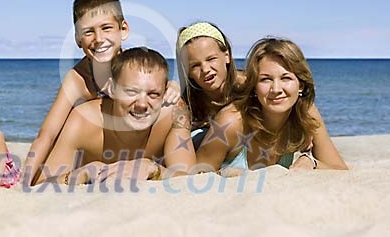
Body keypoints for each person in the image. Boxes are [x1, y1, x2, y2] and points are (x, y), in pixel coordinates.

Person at [25, 0, 180, 185]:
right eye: (89, 32)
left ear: (123, 30)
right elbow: (47, 134)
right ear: (78, 39)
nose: (99, 39)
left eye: (106, 28)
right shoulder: (78, 80)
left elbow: (152, 82)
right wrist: (24, 184)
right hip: (87, 149)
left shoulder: (132, 67)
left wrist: (172, 85)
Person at [33, 47, 196, 185]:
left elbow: (191, 181)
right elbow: (41, 185)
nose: (142, 104)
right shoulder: (83, 121)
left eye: (153, 94)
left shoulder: (174, 113)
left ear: (165, 92)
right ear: (111, 89)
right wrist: (81, 175)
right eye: (131, 92)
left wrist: (154, 169)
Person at [195, 37, 348, 176]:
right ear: (254, 86)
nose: (276, 89)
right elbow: (195, 177)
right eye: (266, 79)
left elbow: (338, 168)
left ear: (301, 85)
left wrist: (310, 162)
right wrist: (225, 174)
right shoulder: (231, 123)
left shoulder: (305, 112)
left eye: (285, 78)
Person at [175, 21, 242, 149]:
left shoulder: (249, 86)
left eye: (211, 59)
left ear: (227, 56)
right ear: (187, 72)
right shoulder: (188, 103)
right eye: (195, 65)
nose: (205, 69)